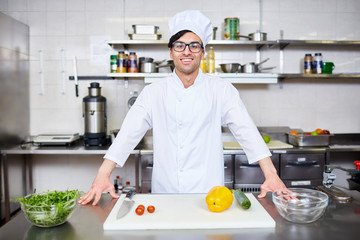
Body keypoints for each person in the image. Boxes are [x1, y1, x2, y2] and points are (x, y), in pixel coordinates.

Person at [79, 10, 287, 206]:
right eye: (179, 45)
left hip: (211, 194)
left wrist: (272, 175)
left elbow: (247, 132)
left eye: (194, 46)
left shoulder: (221, 90)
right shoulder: (153, 92)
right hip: (165, 194)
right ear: (171, 51)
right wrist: (102, 175)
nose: (186, 51)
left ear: (203, 53)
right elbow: (127, 135)